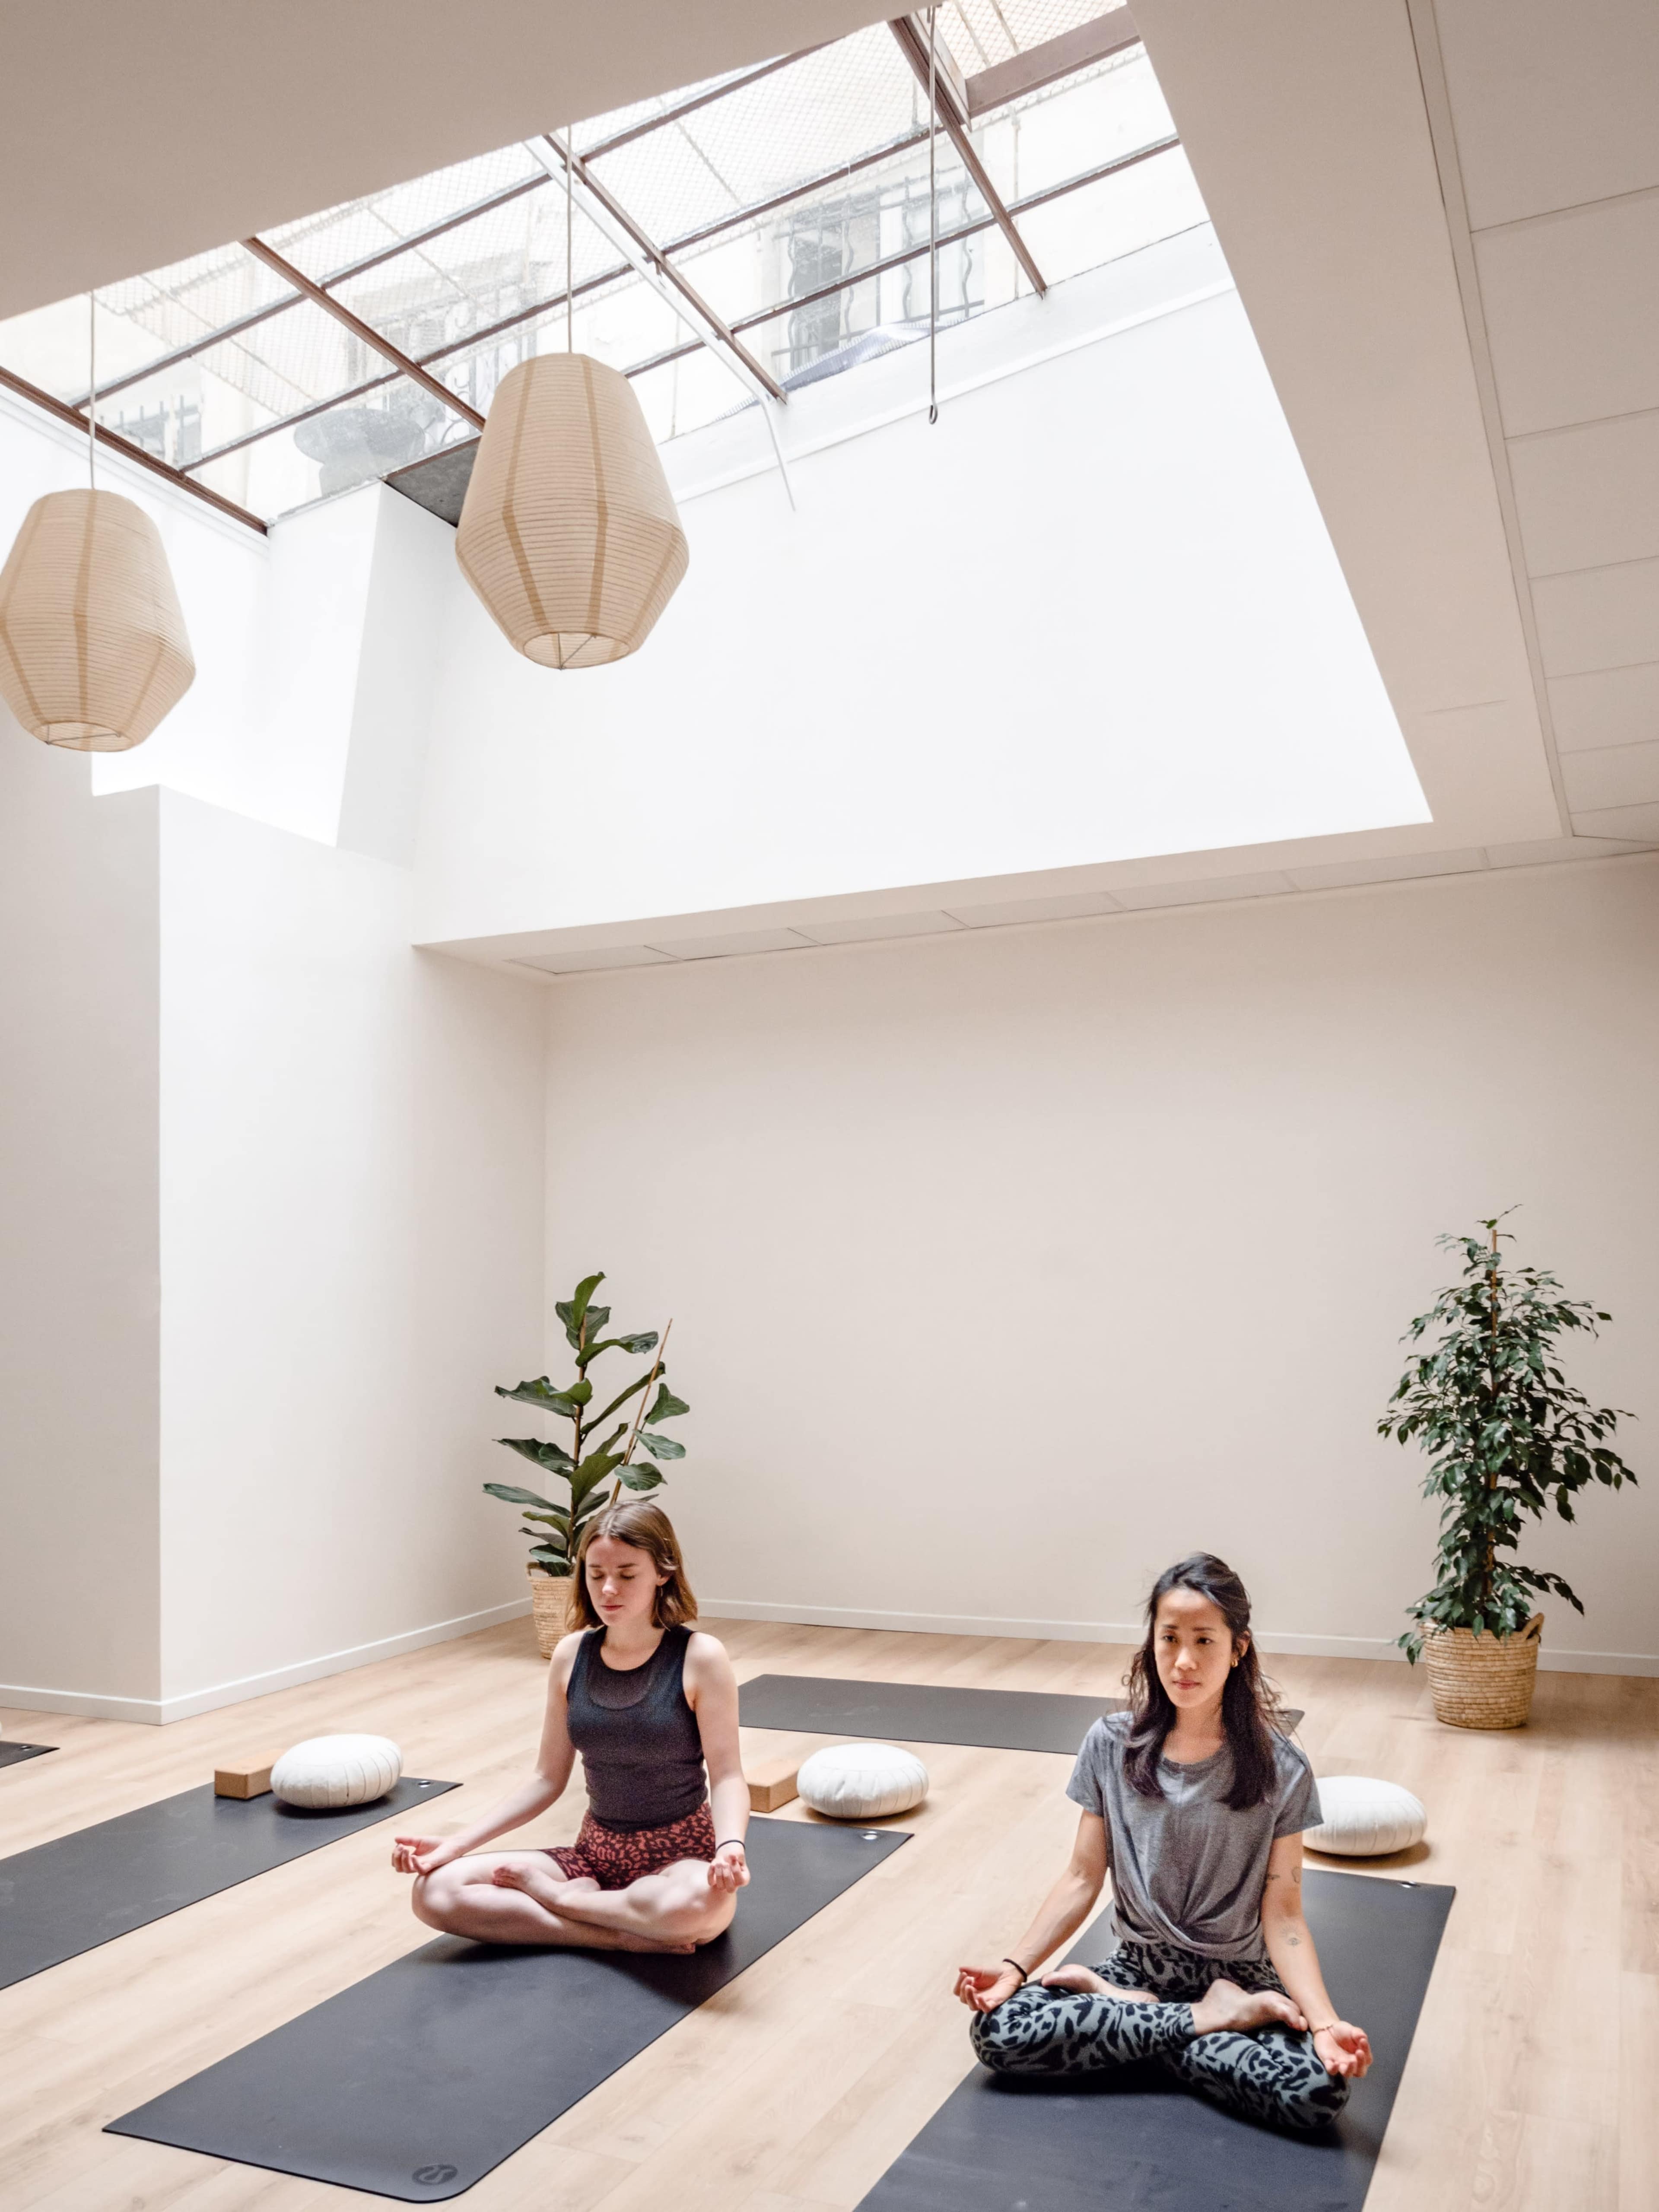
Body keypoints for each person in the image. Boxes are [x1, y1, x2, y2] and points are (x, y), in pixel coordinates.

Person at [954, 1552, 1370, 2133]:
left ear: (1239, 1647)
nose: (1184, 1661)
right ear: (1150, 1641)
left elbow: (1285, 1914)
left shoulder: (1283, 1766)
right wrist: (1013, 1968)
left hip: (1243, 1976)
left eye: (1204, 1641)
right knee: (998, 2031)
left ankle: (1130, 2023)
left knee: (1317, 2093)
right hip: (1138, 1968)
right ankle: (1202, 2019)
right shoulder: (1110, 1744)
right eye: (1169, 1638)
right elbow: (1082, 1876)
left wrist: (1324, 2024)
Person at [391, 1499, 749, 1954]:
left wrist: (730, 1846)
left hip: (681, 1861)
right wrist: (454, 1846)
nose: (609, 1588)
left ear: (663, 1572)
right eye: (595, 1573)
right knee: (435, 1892)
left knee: (699, 1907)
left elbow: (728, 1774)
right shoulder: (571, 1654)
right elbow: (546, 1778)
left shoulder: (700, 1656)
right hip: (594, 1855)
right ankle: (618, 1935)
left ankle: (564, 1901)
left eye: (627, 1573)